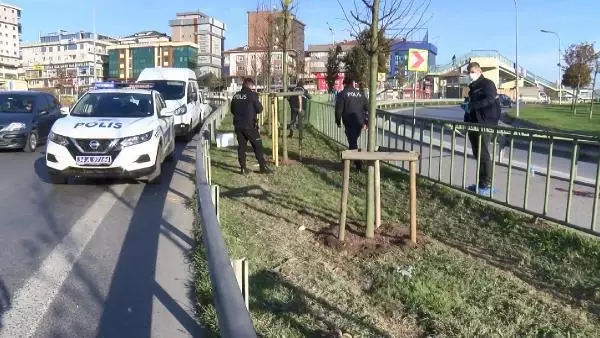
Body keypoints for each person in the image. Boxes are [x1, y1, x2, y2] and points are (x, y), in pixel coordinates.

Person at [463, 62, 501, 196]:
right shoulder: (473, 88)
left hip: (485, 123)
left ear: (479, 71)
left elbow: (490, 100)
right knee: (477, 154)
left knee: (484, 154)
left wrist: (473, 106)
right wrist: (467, 112)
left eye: (472, 71)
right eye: (468, 72)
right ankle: (481, 183)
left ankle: (487, 184)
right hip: (474, 124)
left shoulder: (487, 84)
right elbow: (471, 106)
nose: (470, 74)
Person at [230, 77, 273, 175]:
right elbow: (259, 109)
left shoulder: (236, 96)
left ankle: (243, 168)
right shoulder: (253, 95)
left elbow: (232, 110)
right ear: (250, 85)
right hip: (249, 126)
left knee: (242, 147)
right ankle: (263, 167)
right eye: (252, 86)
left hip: (238, 125)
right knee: (257, 146)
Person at [335, 75, 369, 171]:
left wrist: (338, 121)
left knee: (353, 142)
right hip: (359, 122)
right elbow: (368, 108)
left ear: (344, 84)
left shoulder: (342, 94)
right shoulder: (360, 94)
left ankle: (358, 163)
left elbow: (338, 110)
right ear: (353, 84)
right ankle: (347, 159)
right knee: (352, 140)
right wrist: (367, 122)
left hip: (349, 121)